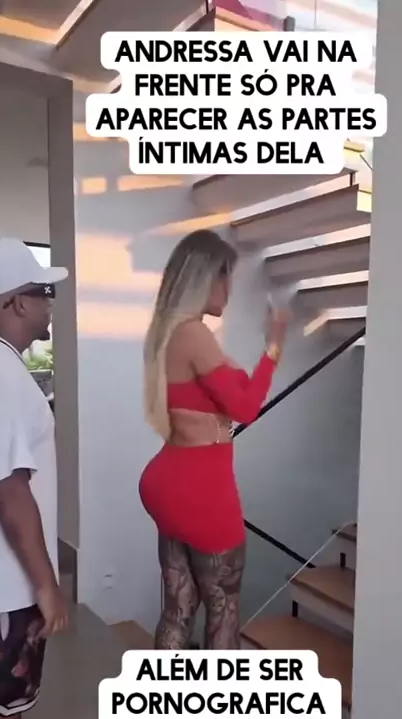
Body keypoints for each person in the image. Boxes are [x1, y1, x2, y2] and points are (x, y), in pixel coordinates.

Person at [139, 229, 291, 650]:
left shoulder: (169, 332)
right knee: (223, 610)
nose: (229, 289)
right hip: (201, 487)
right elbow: (245, 408)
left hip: (168, 480)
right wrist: (273, 349)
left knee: (179, 607)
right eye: (226, 278)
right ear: (206, 278)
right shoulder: (194, 334)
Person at [0, 238, 77, 719]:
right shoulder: (0, 375)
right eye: (44, 293)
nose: (50, 305)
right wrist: (46, 585)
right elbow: (10, 490)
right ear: (14, 303)